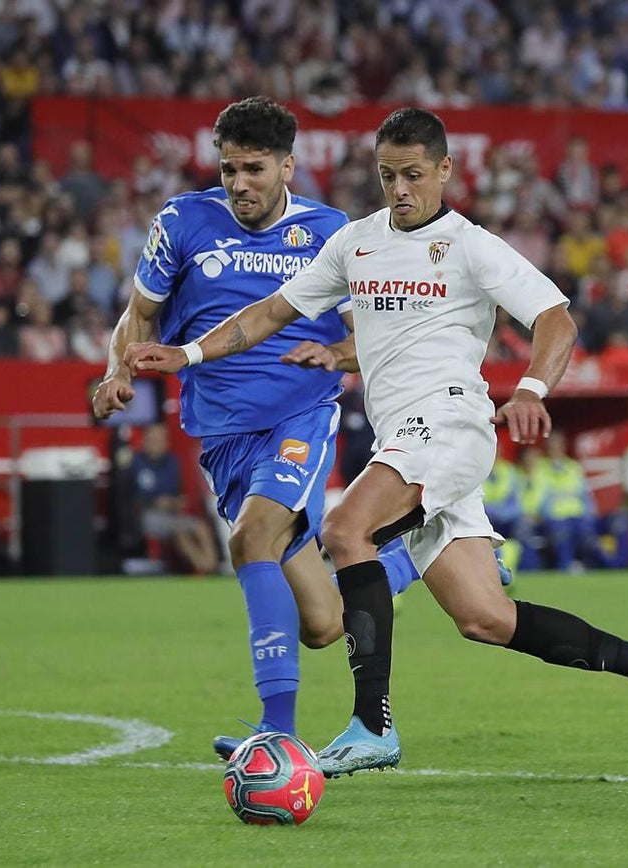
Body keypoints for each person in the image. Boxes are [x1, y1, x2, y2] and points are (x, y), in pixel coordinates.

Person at [124, 108, 628, 778]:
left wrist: (529, 389)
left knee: (349, 530)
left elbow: (555, 317)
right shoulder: (355, 243)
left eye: (413, 174)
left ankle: (371, 726)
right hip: (402, 440)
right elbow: (270, 313)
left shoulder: (471, 245)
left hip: (449, 425)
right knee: (485, 618)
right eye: (387, 176)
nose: (400, 189)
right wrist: (190, 353)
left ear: (445, 171)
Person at [90, 97, 423, 762]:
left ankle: (277, 733)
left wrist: (333, 356)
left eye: (254, 169)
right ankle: (417, 557)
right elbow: (139, 317)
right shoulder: (182, 222)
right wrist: (114, 372)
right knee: (323, 624)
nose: (240, 183)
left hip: (298, 418)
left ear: (287, 166)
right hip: (222, 437)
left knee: (250, 539)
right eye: (229, 169)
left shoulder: (331, 233)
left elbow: (375, 340)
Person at [131, 423, 219, 575]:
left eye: (160, 439)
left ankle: (212, 566)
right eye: (153, 439)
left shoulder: (172, 462)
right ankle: (205, 569)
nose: (157, 443)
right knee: (180, 533)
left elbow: (177, 493)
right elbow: (131, 497)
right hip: (149, 515)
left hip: (172, 513)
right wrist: (154, 502)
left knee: (201, 528)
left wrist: (175, 502)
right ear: (145, 441)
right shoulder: (136, 463)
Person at [522, 433, 600, 572]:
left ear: (563, 446)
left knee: (588, 533)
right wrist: (536, 513)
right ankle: (565, 567)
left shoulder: (574, 467)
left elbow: (585, 496)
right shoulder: (539, 468)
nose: (555, 449)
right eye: (551, 445)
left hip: (577, 516)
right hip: (552, 518)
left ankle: (598, 567)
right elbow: (536, 496)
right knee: (562, 532)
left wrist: (589, 515)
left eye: (557, 445)